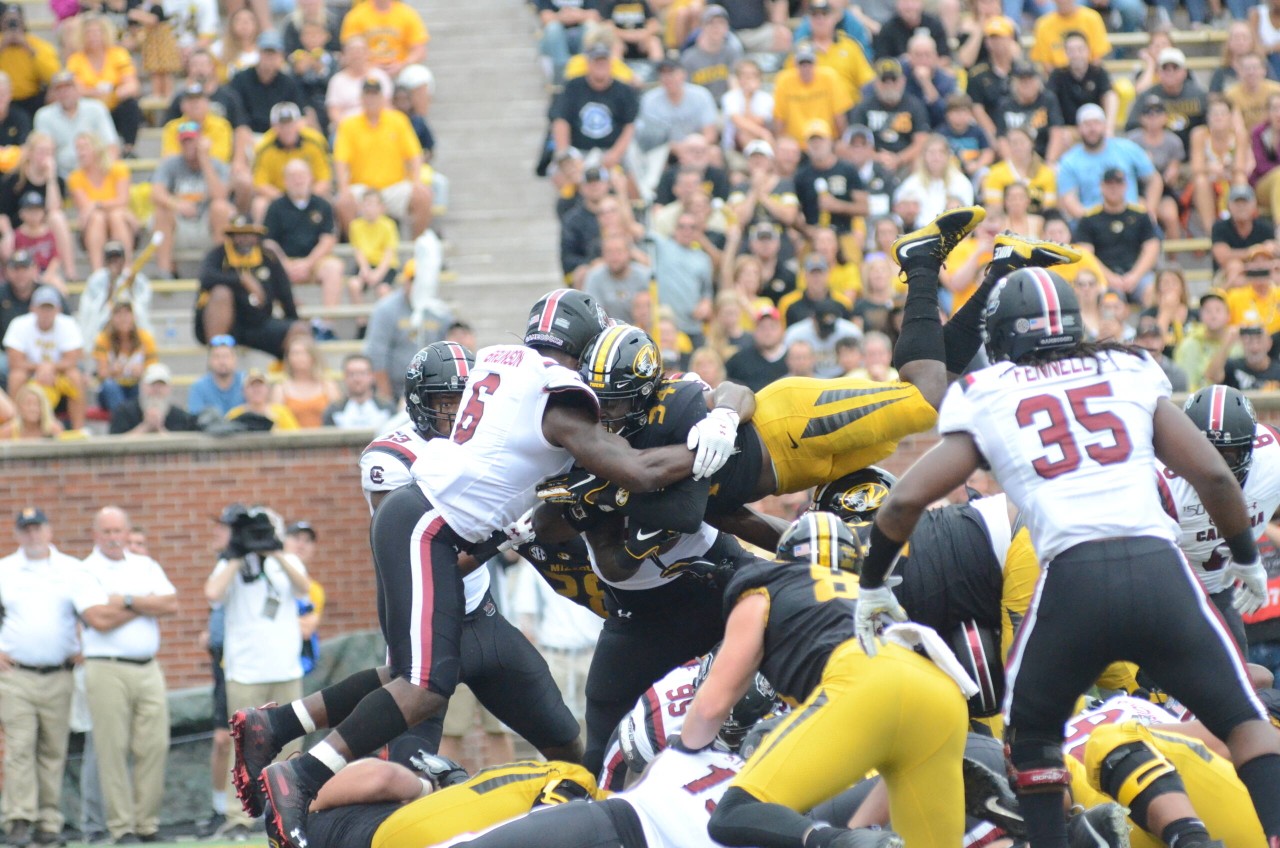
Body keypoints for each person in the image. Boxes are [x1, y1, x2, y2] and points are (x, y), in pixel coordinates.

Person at [238, 290, 733, 848]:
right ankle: (300, 776)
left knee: (453, 692)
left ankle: (278, 729)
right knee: (422, 688)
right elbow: (636, 471)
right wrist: (708, 439)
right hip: (427, 525)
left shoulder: (503, 358)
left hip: (445, 537)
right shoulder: (559, 393)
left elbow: (527, 480)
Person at [855, 267, 1280, 848]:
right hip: (1162, 574)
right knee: (1246, 719)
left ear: (1003, 335)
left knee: (1030, 736)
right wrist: (1248, 559)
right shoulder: (1129, 366)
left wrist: (874, 579)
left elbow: (904, 499)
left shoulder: (991, 391)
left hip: (1071, 579)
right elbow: (1211, 472)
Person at [683, 514, 969, 848]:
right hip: (942, 689)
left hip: (866, 679)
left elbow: (712, 705)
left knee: (736, 812)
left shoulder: (766, 585)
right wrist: (853, 832)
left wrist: (685, 746)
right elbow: (892, 776)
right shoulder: (869, 597)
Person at [73, 507, 179, 844]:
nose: (114, 537)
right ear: (95, 535)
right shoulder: (85, 570)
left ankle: (146, 823)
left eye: (119, 530)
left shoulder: (144, 564)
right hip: (106, 667)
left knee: (155, 745)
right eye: (106, 531)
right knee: (111, 748)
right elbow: (98, 620)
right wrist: (145, 606)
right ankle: (121, 827)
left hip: (148, 666)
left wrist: (127, 601)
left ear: (127, 530)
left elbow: (172, 604)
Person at [205, 507, 311, 839]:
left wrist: (276, 552)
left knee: (291, 743)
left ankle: (291, 807)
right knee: (244, 747)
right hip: (245, 671)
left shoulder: (287, 559)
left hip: (285, 668)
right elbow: (212, 594)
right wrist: (237, 554)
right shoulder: (230, 563)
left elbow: (303, 587)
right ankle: (238, 816)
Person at [1166, 386, 1280, 655]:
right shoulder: (1161, 478)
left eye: (1227, 454)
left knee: (1237, 683)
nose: (1213, 465)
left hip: (1220, 590)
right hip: (1162, 594)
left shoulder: (1272, 454)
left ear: (1250, 448)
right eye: (1204, 450)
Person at [0, 508, 80, 848]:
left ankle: (49, 822)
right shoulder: (5, 569)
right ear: (18, 534)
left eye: (37, 529)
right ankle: (18, 820)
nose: (33, 535)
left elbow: (93, 610)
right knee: (19, 746)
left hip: (59, 672)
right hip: (17, 674)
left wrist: (85, 646)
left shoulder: (71, 569)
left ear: (48, 531)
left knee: (52, 749)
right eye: (26, 530)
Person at [333, 78, 431, 238]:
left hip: (394, 187)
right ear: (361, 98)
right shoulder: (349, 125)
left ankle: (415, 246)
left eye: (375, 95)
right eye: (367, 95)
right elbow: (341, 160)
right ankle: (358, 247)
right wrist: (343, 187)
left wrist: (416, 181)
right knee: (343, 201)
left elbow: (414, 154)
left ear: (382, 98)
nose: (371, 99)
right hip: (362, 188)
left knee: (423, 196)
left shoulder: (398, 120)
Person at [194, 216, 303, 360]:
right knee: (221, 292)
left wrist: (293, 320)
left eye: (249, 234)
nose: (244, 239)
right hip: (227, 327)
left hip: (260, 324)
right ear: (231, 237)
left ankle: (290, 374)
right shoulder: (218, 255)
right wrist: (241, 279)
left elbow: (285, 294)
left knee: (299, 329)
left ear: (257, 236)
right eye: (239, 235)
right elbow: (205, 278)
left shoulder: (268, 258)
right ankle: (217, 358)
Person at [152, 122, 235, 279]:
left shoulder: (216, 165)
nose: (188, 145)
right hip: (179, 228)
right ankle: (165, 272)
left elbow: (220, 195)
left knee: (221, 208)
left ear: (201, 141)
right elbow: (156, 193)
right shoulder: (170, 164)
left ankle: (220, 269)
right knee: (161, 210)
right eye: (185, 141)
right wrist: (176, 204)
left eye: (192, 140)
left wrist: (204, 160)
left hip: (207, 227)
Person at [1058, 104, 1163, 220]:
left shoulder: (1127, 148)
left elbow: (1154, 179)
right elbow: (1069, 199)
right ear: (1078, 128)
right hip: (1092, 220)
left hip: (1131, 218)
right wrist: (1091, 223)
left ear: (1105, 125)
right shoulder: (1069, 161)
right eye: (1086, 124)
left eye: (1096, 123)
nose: (1092, 129)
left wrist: (1150, 211)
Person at [264, 159, 343, 312]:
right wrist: (285, 264)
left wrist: (308, 263)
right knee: (266, 268)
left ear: (310, 178)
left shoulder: (323, 205)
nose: (298, 180)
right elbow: (268, 242)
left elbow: (329, 239)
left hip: (315, 261)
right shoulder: (275, 207)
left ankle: (326, 325)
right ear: (285, 181)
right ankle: (282, 320)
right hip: (284, 262)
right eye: (293, 176)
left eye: (301, 175)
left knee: (334, 267)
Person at [363, 264, 451, 400]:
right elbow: (376, 354)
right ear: (405, 282)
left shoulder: (440, 311)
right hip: (396, 388)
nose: (418, 286)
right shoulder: (386, 309)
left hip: (434, 389)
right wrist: (387, 397)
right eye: (413, 280)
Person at [1073, 168, 1161, 302]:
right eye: (1109, 184)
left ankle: (1148, 321)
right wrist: (1110, 278)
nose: (1114, 188)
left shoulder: (1140, 215)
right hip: (1103, 275)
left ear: (1125, 186)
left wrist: (1134, 276)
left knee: (1152, 290)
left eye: (1118, 184)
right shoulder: (1089, 218)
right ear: (1101, 187)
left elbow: (1152, 248)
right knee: (1097, 291)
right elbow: (1085, 254)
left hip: (1137, 273)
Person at [3, 286, 83, 431]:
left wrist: (50, 368)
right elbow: (14, 362)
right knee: (16, 376)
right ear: (33, 309)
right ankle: (17, 427)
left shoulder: (68, 324)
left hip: (58, 375)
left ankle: (78, 429)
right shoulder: (19, 324)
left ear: (58, 309)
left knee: (75, 376)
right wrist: (42, 368)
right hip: (31, 374)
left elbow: (73, 360)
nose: (46, 313)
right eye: (42, 308)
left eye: (49, 308)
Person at [550, 43, 638, 171]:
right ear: (588, 64)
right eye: (596, 61)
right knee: (557, 172)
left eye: (604, 61)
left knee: (633, 165)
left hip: (612, 149)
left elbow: (630, 125)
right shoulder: (573, 87)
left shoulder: (623, 90)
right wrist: (565, 155)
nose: (600, 65)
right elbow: (560, 120)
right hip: (579, 150)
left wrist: (615, 154)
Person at [64, 14, 142, 159]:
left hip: (114, 105)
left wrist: (121, 91)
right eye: (88, 33)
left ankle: (128, 148)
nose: (93, 36)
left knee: (130, 105)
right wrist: (96, 92)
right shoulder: (76, 60)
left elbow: (132, 84)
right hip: (90, 109)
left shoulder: (118, 54)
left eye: (97, 32)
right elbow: (75, 89)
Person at [251, 101, 333, 222]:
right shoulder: (263, 147)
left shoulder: (315, 141)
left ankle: (330, 237)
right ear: (274, 126)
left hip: (310, 193)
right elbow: (260, 183)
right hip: (278, 196)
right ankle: (266, 239)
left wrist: (307, 198)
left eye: (290, 124)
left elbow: (324, 178)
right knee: (259, 204)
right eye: (282, 125)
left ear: (299, 123)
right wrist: (287, 200)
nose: (287, 129)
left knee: (328, 201)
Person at [68, 132, 135, 272]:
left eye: (84, 148)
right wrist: (105, 207)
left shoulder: (118, 169)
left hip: (120, 221)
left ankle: (126, 268)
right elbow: (85, 208)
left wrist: (97, 204)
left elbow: (123, 199)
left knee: (116, 216)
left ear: (97, 149)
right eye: (78, 149)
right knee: (98, 218)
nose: (80, 153)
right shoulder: (75, 177)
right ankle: (97, 271)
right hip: (92, 225)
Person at [848, 59, 930, 173]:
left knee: (919, 161)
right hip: (871, 163)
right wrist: (878, 158)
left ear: (903, 81)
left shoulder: (915, 106)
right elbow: (854, 142)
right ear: (876, 83)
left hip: (906, 163)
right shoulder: (863, 107)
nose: (889, 84)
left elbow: (922, 141)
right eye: (884, 80)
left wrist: (899, 159)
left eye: (894, 79)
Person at [793, 120, 865, 249]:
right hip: (813, 238)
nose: (817, 144)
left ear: (830, 141)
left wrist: (838, 206)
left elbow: (864, 207)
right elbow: (795, 212)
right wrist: (806, 229)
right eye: (812, 141)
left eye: (821, 140)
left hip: (844, 235)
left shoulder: (847, 170)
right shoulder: (801, 176)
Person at [32, 72, 117, 180]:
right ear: (53, 93)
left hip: (95, 175)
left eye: (68, 87)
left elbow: (111, 146)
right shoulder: (43, 115)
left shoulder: (96, 108)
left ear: (78, 88)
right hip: (59, 177)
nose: (64, 92)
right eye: (58, 89)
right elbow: (41, 153)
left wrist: (106, 175)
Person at [650, 214, 714, 346]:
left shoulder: (703, 259)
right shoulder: (662, 246)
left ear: (698, 232)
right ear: (674, 229)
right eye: (682, 227)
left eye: (692, 227)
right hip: (665, 327)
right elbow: (635, 231)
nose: (687, 231)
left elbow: (706, 291)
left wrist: (705, 304)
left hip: (692, 326)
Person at [771, 42, 850, 144]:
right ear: (795, 64)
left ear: (816, 63)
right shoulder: (784, 80)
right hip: (796, 143)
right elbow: (779, 118)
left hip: (825, 141)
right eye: (802, 64)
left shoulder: (829, 77)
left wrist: (843, 141)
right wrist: (778, 143)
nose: (806, 68)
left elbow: (839, 114)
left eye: (809, 64)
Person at [230, 33, 303, 135]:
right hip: (247, 134)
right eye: (265, 52)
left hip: (278, 136)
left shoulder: (288, 83)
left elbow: (298, 113)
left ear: (281, 55)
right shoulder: (241, 79)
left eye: (273, 53)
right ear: (258, 53)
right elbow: (235, 112)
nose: (269, 57)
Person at [1046, 31, 1116, 135]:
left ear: (1088, 50)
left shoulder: (1098, 72)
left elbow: (1109, 95)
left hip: (1095, 127)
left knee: (1111, 95)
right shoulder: (1057, 75)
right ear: (1065, 52)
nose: (1076, 55)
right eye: (1071, 50)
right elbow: (1049, 100)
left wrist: (1108, 127)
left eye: (1080, 49)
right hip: (1068, 129)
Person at [92, 299, 157, 413]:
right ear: (111, 318)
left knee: (144, 387)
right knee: (110, 386)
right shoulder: (103, 339)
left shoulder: (145, 338)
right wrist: (113, 371)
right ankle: (121, 421)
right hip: (111, 390)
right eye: (118, 314)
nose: (123, 318)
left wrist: (142, 372)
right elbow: (101, 374)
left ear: (134, 317)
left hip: (135, 387)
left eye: (127, 313)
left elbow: (154, 372)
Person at [995, 62, 1066, 164]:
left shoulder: (1048, 100)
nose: (1027, 84)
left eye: (1030, 80)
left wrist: (1050, 162)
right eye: (1022, 81)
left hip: (1043, 156)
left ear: (1038, 81)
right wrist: (1012, 167)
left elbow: (1056, 132)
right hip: (1015, 159)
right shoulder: (1005, 105)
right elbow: (1001, 139)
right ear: (1014, 83)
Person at [338, 0, 428, 76]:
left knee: (419, 75)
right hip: (366, 70)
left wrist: (402, 65)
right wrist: (369, 66)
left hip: (400, 68)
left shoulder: (407, 14)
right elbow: (349, 50)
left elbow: (419, 51)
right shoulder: (356, 15)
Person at [0, 7, 58, 122]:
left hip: (32, 98)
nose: (13, 26)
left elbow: (53, 76)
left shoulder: (38, 44)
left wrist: (30, 50)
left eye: (16, 22)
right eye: (8, 22)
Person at [110, 362, 199, 435]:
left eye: (161, 385)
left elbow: (184, 450)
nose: (156, 390)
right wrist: (145, 427)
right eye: (152, 384)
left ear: (170, 388)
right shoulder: (124, 412)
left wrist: (159, 429)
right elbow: (112, 446)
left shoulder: (180, 416)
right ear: (141, 386)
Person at [271, 335, 340, 429]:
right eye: (294, 353)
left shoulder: (328, 386)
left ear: (313, 356)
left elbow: (338, 418)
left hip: (325, 441)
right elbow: (276, 423)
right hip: (291, 442)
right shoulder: (280, 389)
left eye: (303, 353)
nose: (299, 358)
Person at [1176, 290, 1237, 391]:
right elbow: (1187, 384)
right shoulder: (1190, 344)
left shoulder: (1238, 344)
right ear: (1201, 315)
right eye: (1208, 311)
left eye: (1218, 310)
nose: (1213, 315)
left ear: (1229, 316)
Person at [1213, 185, 1275, 285]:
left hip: (1260, 273)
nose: (1241, 207)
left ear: (1254, 205)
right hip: (1226, 276)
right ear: (1229, 205)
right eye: (1237, 202)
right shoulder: (1220, 227)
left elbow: (1271, 252)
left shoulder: (1265, 227)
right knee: (1235, 266)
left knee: (1273, 268)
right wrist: (1256, 250)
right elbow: (1222, 257)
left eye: (1245, 202)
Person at [583, 233, 650, 324]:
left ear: (629, 253)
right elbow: (592, 314)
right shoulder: (595, 277)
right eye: (609, 252)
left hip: (640, 332)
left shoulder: (645, 276)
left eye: (619, 252)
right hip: (608, 332)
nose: (614, 257)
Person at [1029, 0, 1110, 69]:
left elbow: (1097, 58)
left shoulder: (1092, 19)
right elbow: (1046, 64)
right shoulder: (1043, 24)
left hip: (1088, 77)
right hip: (1058, 80)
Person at [725, 304, 788, 391]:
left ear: (781, 330)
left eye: (772, 327)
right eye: (762, 327)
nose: (767, 332)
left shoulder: (793, 359)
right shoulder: (739, 361)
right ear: (754, 331)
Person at [322, 354, 393, 429]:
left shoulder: (387, 408)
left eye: (362, 373)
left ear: (372, 376)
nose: (357, 379)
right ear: (344, 377)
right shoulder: (333, 410)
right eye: (351, 374)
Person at [187, 336, 246, 417]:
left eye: (226, 356)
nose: (222, 361)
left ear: (235, 359)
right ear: (209, 360)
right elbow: (195, 419)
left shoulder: (247, 382)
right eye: (216, 357)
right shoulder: (198, 387)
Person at [226, 369, 301, 430]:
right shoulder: (234, 414)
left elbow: (295, 436)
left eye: (260, 386)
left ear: (268, 389)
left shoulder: (281, 413)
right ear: (243, 391)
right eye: (252, 386)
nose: (257, 390)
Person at [1215, 323, 1280, 390]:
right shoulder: (1233, 366)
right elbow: (1213, 377)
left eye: (1259, 342)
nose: (1255, 348)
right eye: (1249, 342)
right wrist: (1228, 342)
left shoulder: (1278, 370)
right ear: (1242, 344)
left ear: (1269, 343)